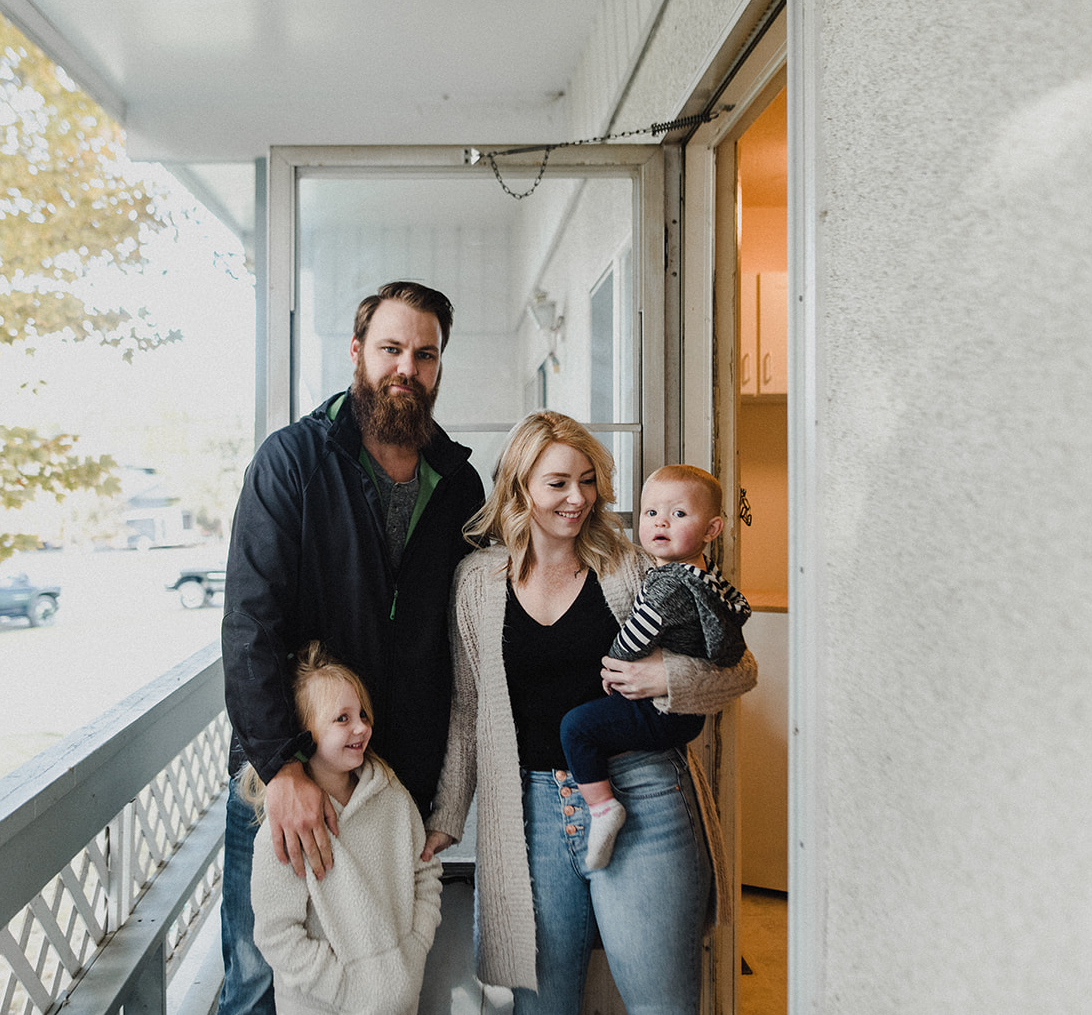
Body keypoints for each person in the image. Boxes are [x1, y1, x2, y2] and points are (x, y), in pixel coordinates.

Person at [423, 411, 757, 1015]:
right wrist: (446, 815)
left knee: (663, 1005)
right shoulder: (475, 583)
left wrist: (667, 676)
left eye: (587, 480)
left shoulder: (632, 566)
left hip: (645, 792)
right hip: (534, 813)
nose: (577, 499)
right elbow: (468, 709)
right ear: (519, 485)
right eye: (557, 483)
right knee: (541, 1006)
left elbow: (740, 668)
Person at [219, 281, 485, 1015]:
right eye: (391, 348)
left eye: (424, 354)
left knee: (379, 986)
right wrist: (280, 768)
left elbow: (461, 649)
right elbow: (249, 625)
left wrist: (439, 790)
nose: (407, 367)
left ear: (437, 368)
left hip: (387, 791)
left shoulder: (460, 486)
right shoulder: (293, 463)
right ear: (357, 353)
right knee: (258, 983)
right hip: (288, 777)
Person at [560, 463, 751, 870]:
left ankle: (603, 809)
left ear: (712, 529)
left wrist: (618, 665)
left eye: (679, 514)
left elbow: (637, 634)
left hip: (663, 714)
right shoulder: (706, 577)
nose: (661, 521)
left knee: (576, 727)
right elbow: (736, 615)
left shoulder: (667, 581)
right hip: (681, 716)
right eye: (651, 513)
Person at [247, 643, 443, 1015]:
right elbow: (276, 935)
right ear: (304, 735)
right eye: (342, 718)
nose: (361, 727)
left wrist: (413, 952)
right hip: (321, 1006)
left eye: (363, 715)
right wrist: (348, 991)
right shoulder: (286, 828)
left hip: (401, 1001)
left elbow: (426, 873)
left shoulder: (392, 796)